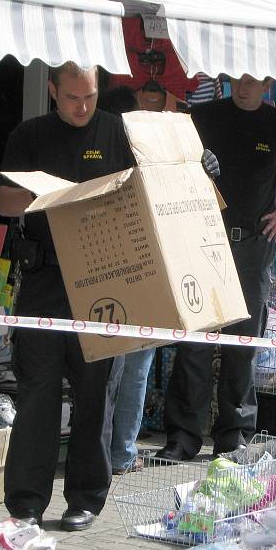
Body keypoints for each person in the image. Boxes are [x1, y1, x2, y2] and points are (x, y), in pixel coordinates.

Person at [155, 74, 276, 461]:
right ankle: (183, 436)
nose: (243, 88)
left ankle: (233, 436)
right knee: (195, 342)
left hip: (252, 244)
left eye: (251, 82)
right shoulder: (203, 115)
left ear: (267, 84)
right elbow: (170, 152)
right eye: (238, 80)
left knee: (243, 344)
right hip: (202, 237)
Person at [0, 62, 137, 531]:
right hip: (43, 280)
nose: (82, 107)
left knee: (95, 394)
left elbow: (151, 184)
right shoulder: (30, 134)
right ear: (52, 91)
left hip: (102, 280)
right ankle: (26, 503)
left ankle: (86, 499)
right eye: (72, 97)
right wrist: (50, 197)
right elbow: (2, 202)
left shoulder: (118, 132)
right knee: (37, 395)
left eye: (90, 97)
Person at [96, 84, 157, 475]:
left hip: (108, 271)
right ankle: (121, 454)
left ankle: (102, 453)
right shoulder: (148, 154)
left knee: (108, 371)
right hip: (150, 271)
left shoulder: (98, 154)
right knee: (133, 370)